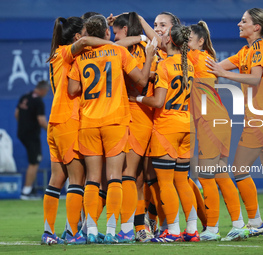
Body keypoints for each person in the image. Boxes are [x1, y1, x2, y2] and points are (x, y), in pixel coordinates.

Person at [206, 7, 263, 240]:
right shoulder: (246, 51)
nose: (239, 23)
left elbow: (255, 78)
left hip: (261, 119)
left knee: (238, 169)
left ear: (256, 27)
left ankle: (256, 223)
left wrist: (224, 74)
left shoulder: (259, 48)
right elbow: (216, 67)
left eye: (243, 21)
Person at [68, 14, 156, 244]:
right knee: (116, 176)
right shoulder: (119, 52)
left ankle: (90, 231)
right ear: (106, 33)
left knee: (93, 179)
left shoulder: (80, 58)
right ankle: (111, 230)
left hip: (88, 122)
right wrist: (148, 58)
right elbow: (141, 81)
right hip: (115, 121)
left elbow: (72, 89)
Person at [43, 16, 115, 245]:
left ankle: (49, 232)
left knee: (57, 179)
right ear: (77, 36)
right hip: (69, 121)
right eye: (85, 32)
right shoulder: (66, 52)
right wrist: (112, 44)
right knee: (78, 179)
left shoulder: (57, 54)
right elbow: (84, 44)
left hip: (55, 123)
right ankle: (74, 233)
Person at [130, 24, 197, 242]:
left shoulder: (165, 66)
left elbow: (158, 101)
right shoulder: (190, 66)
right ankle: (192, 230)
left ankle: (173, 231)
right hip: (187, 125)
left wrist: (137, 99)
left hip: (167, 127)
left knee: (166, 183)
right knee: (182, 181)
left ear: (169, 41)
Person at [188, 21, 249, 241]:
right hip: (219, 119)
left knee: (205, 177)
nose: (183, 43)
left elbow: (168, 48)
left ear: (200, 41)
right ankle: (238, 225)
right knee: (221, 173)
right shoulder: (204, 57)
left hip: (210, 121)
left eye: (187, 39)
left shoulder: (195, 57)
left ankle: (212, 228)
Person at [110, 11, 157, 243]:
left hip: (133, 113)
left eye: (116, 31)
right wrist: (141, 30)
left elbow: (141, 80)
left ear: (125, 31)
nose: (113, 36)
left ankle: (132, 228)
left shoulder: (122, 48)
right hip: (148, 116)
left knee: (127, 174)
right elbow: (156, 40)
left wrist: (135, 30)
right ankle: (144, 225)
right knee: (140, 177)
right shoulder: (151, 47)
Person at [15, 80, 49, 200]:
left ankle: (28, 189)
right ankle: (26, 192)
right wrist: (52, 131)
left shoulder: (25, 96)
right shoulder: (38, 101)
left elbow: (17, 113)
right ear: (43, 89)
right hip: (32, 135)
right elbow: (42, 121)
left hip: (22, 133)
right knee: (34, 162)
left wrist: (24, 124)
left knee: (34, 159)